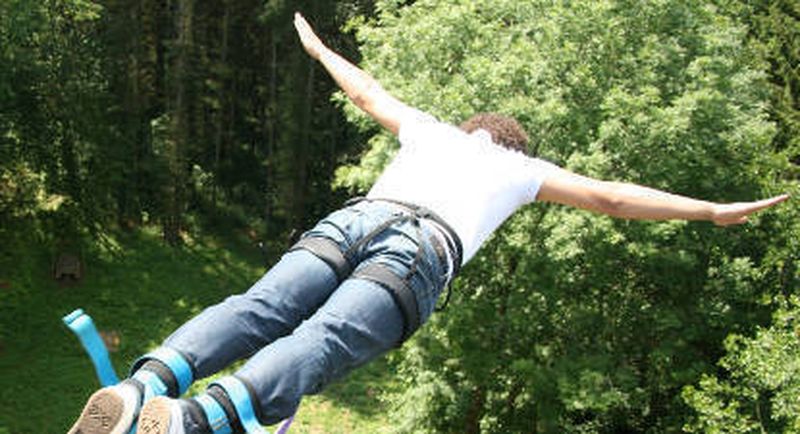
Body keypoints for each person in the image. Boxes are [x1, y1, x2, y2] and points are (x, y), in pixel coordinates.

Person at [69, 13, 788, 434]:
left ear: (472, 129)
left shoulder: (432, 132)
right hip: (416, 253)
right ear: (512, 145)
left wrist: (319, 50)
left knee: (259, 307)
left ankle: (146, 385)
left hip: (355, 219)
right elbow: (613, 196)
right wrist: (711, 210)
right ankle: (194, 422)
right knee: (317, 343)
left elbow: (367, 89)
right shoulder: (518, 170)